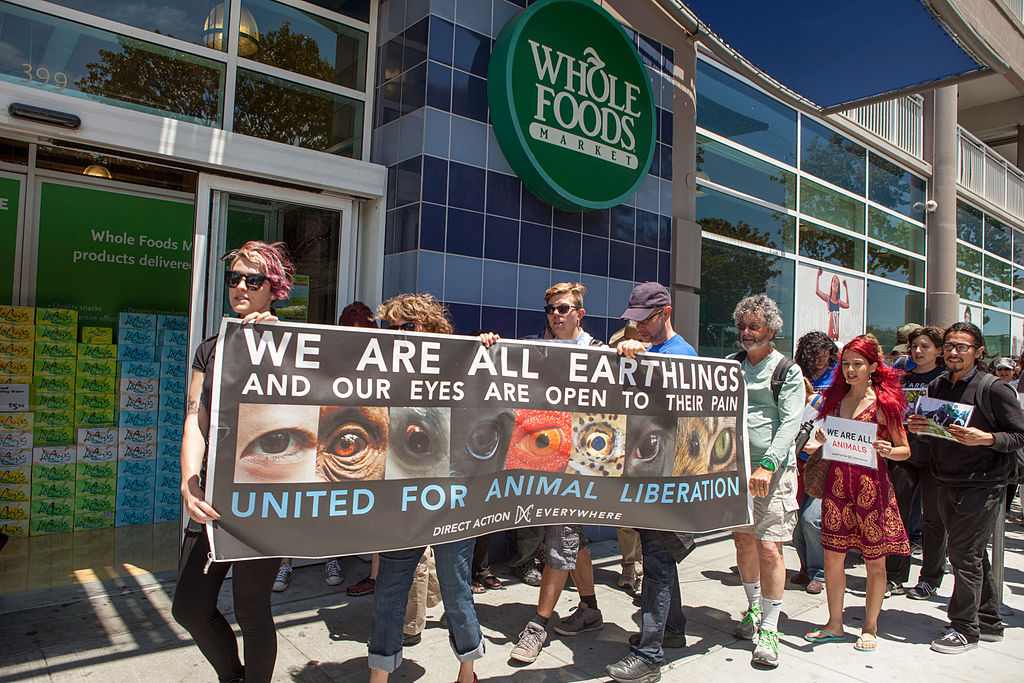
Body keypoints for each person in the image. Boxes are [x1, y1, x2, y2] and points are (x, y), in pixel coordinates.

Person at [172, 241, 294, 683]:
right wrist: (189, 483)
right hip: (210, 496)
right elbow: (194, 423)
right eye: (234, 278)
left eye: (253, 279)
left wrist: (275, 337)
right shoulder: (209, 348)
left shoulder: (291, 344)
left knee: (252, 609)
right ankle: (234, 676)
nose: (241, 286)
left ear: (273, 289)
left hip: (262, 498)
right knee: (188, 607)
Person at [481, 282, 605, 664]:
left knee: (559, 539)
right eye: (551, 308)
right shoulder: (537, 350)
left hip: (580, 467)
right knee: (573, 540)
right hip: (544, 461)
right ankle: (590, 608)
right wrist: (490, 345)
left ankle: (538, 626)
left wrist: (632, 351)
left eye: (564, 308)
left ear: (580, 313)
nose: (556, 315)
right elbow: (503, 373)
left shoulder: (598, 353)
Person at [368, 293, 482, 683]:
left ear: (430, 328)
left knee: (456, 586)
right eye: (392, 329)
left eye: (407, 327)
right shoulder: (383, 370)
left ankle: (467, 672)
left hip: (451, 493)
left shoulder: (460, 365)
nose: (399, 335)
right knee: (389, 589)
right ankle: (378, 676)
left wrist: (487, 353)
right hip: (403, 493)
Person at [907, 322, 1024, 654]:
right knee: (971, 554)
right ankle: (988, 620)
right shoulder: (938, 385)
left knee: (962, 554)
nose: (954, 352)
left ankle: (963, 629)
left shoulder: (995, 389)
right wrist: (920, 426)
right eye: (950, 346)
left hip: (983, 484)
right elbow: (933, 431)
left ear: (979, 351)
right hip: (945, 479)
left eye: (962, 347)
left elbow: (1019, 435)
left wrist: (986, 438)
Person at [603, 282, 694, 683]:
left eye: (646, 319)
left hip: (664, 478)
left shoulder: (681, 356)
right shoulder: (643, 348)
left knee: (656, 562)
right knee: (662, 554)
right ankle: (671, 630)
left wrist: (643, 359)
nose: (638, 326)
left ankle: (649, 656)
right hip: (641, 474)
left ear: (666, 312)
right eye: (633, 319)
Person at [802, 336, 911, 653]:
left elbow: (905, 450)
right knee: (832, 557)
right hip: (837, 487)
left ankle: (870, 627)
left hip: (871, 489)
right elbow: (821, 437)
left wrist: (890, 450)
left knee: (874, 562)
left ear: (874, 367)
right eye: (846, 363)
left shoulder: (884, 405)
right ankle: (834, 623)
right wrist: (820, 436)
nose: (850, 370)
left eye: (857, 364)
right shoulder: (835, 401)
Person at [727, 295, 805, 668]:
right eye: (742, 326)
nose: (745, 333)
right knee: (743, 541)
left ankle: (771, 629)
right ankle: (753, 609)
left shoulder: (787, 370)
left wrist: (769, 464)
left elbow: (790, 423)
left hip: (770, 473)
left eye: (753, 326)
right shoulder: (729, 366)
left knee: (770, 548)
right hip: (735, 472)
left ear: (771, 331)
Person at [885, 326, 948, 600]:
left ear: (938, 350)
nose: (918, 351)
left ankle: (930, 578)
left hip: (935, 455)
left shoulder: (945, 379)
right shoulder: (902, 378)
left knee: (933, 519)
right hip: (904, 452)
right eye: (914, 347)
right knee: (896, 513)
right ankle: (895, 576)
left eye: (924, 346)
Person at [792, 331, 838, 594]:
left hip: (825, 460)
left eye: (824, 354)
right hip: (798, 460)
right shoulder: (797, 373)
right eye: (814, 355)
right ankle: (806, 568)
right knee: (797, 520)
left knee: (811, 518)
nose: (819, 360)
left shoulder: (838, 378)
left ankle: (820, 572)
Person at [815, 269, 849, 341]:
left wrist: (846, 288)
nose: (835, 285)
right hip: (830, 330)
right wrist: (818, 276)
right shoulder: (828, 298)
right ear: (831, 284)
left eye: (837, 284)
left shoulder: (838, 302)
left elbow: (847, 305)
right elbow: (817, 291)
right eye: (834, 282)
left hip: (836, 332)